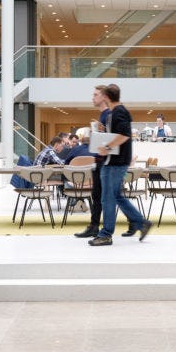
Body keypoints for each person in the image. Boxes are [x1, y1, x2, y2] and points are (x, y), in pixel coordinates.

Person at [90, 84, 153, 246]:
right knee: (115, 196)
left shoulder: (118, 112)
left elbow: (124, 135)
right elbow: (119, 133)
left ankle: (106, 234)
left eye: (100, 95)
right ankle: (141, 223)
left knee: (107, 198)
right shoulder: (117, 112)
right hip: (115, 161)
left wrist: (107, 147)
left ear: (106, 97)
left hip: (115, 162)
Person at [74, 86, 115, 238]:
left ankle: (102, 229)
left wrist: (101, 132)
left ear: (104, 97)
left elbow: (113, 139)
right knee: (96, 195)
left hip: (105, 162)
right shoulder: (103, 116)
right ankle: (94, 226)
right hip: (99, 160)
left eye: (96, 95)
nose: (93, 97)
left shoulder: (109, 115)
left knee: (104, 197)